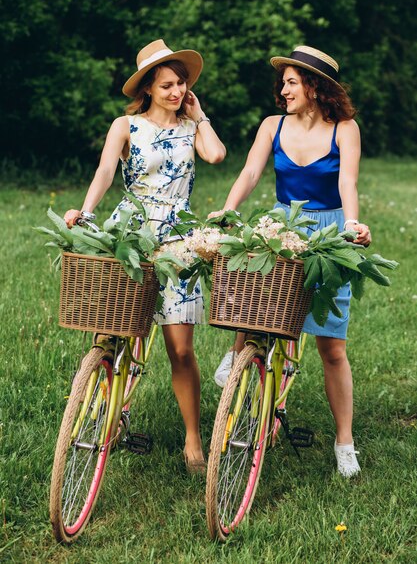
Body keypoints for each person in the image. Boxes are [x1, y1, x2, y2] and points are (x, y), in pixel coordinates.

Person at [65, 39, 226, 474]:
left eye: (182, 84)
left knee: (180, 348)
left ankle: (193, 437)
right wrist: (86, 211)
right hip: (131, 227)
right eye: (168, 85)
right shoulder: (126, 125)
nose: (176, 91)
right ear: (149, 89)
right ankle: (110, 412)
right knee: (114, 331)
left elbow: (215, 154)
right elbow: (103, 171)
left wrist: (199, 114)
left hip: (179, 235)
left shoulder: (193, 127)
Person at [209, 45, 371, 478]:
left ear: (315, 87)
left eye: (291, 82)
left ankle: (344, 442)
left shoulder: (345, 129)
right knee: (255, 291)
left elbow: (348, 181)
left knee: (331, 347)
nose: (283, 90)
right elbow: (249, 173)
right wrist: (227, 210)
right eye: (283, 83)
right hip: (285, 222)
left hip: (329, 231)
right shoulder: (272, 125)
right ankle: (238, 354)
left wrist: (352, 225)